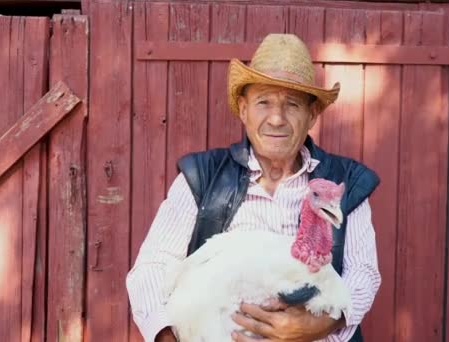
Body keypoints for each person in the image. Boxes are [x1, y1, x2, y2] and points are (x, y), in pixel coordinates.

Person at [126, 33, 381, 342]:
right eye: (264, 103)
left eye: (292, 105)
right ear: (244, 109)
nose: (276, 118)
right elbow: (152, 267)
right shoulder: (202, 177)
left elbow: (363, 273)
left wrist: (319, 326)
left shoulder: (340, 183)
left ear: (312, 114)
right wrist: (168, 337)